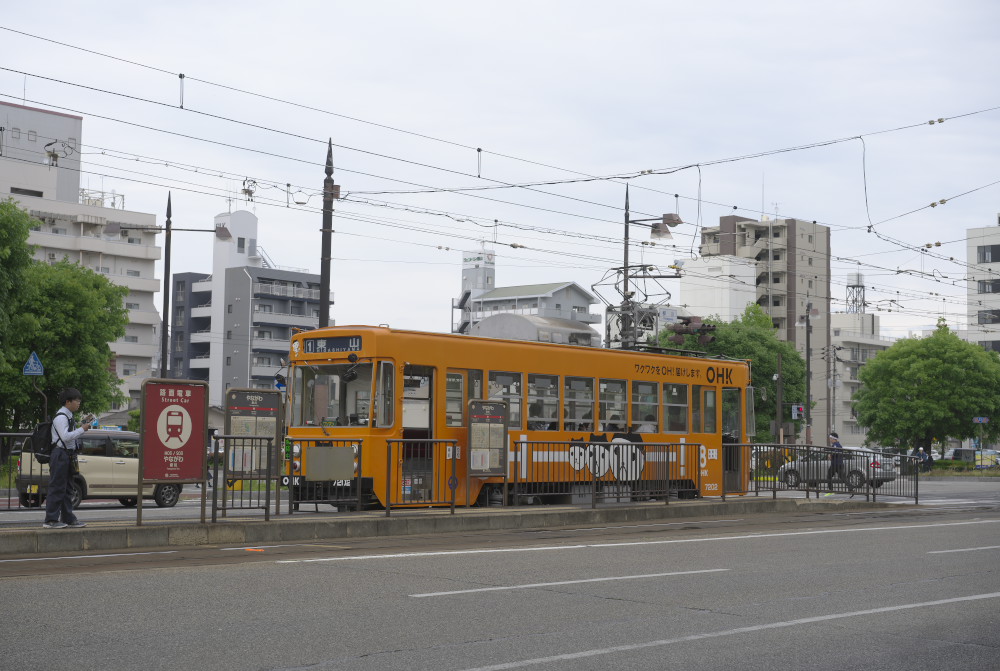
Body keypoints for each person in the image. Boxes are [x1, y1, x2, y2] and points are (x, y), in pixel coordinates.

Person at [43, 388, 91, 529]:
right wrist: (82, 429)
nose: (78, 403)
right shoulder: (61, 417)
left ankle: (68, 518)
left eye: (79, 401)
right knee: (57, 487)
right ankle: (50, 520)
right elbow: (64, 436)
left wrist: (81, 428)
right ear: (68, 402)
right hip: (60, 454)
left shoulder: (69, 416)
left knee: (68, 488)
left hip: (68, 454)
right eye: (76, 401)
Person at [824, 431, 851, 497]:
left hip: (835, 464)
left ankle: (831, 491)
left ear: (833, 439)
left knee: (829, 476)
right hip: (839, 464)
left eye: (830, 438)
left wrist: (830, 455)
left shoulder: (836, 445)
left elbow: (835, 452)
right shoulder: (837, 444)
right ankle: (851, 488)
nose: (830, 440)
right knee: (842, 477)